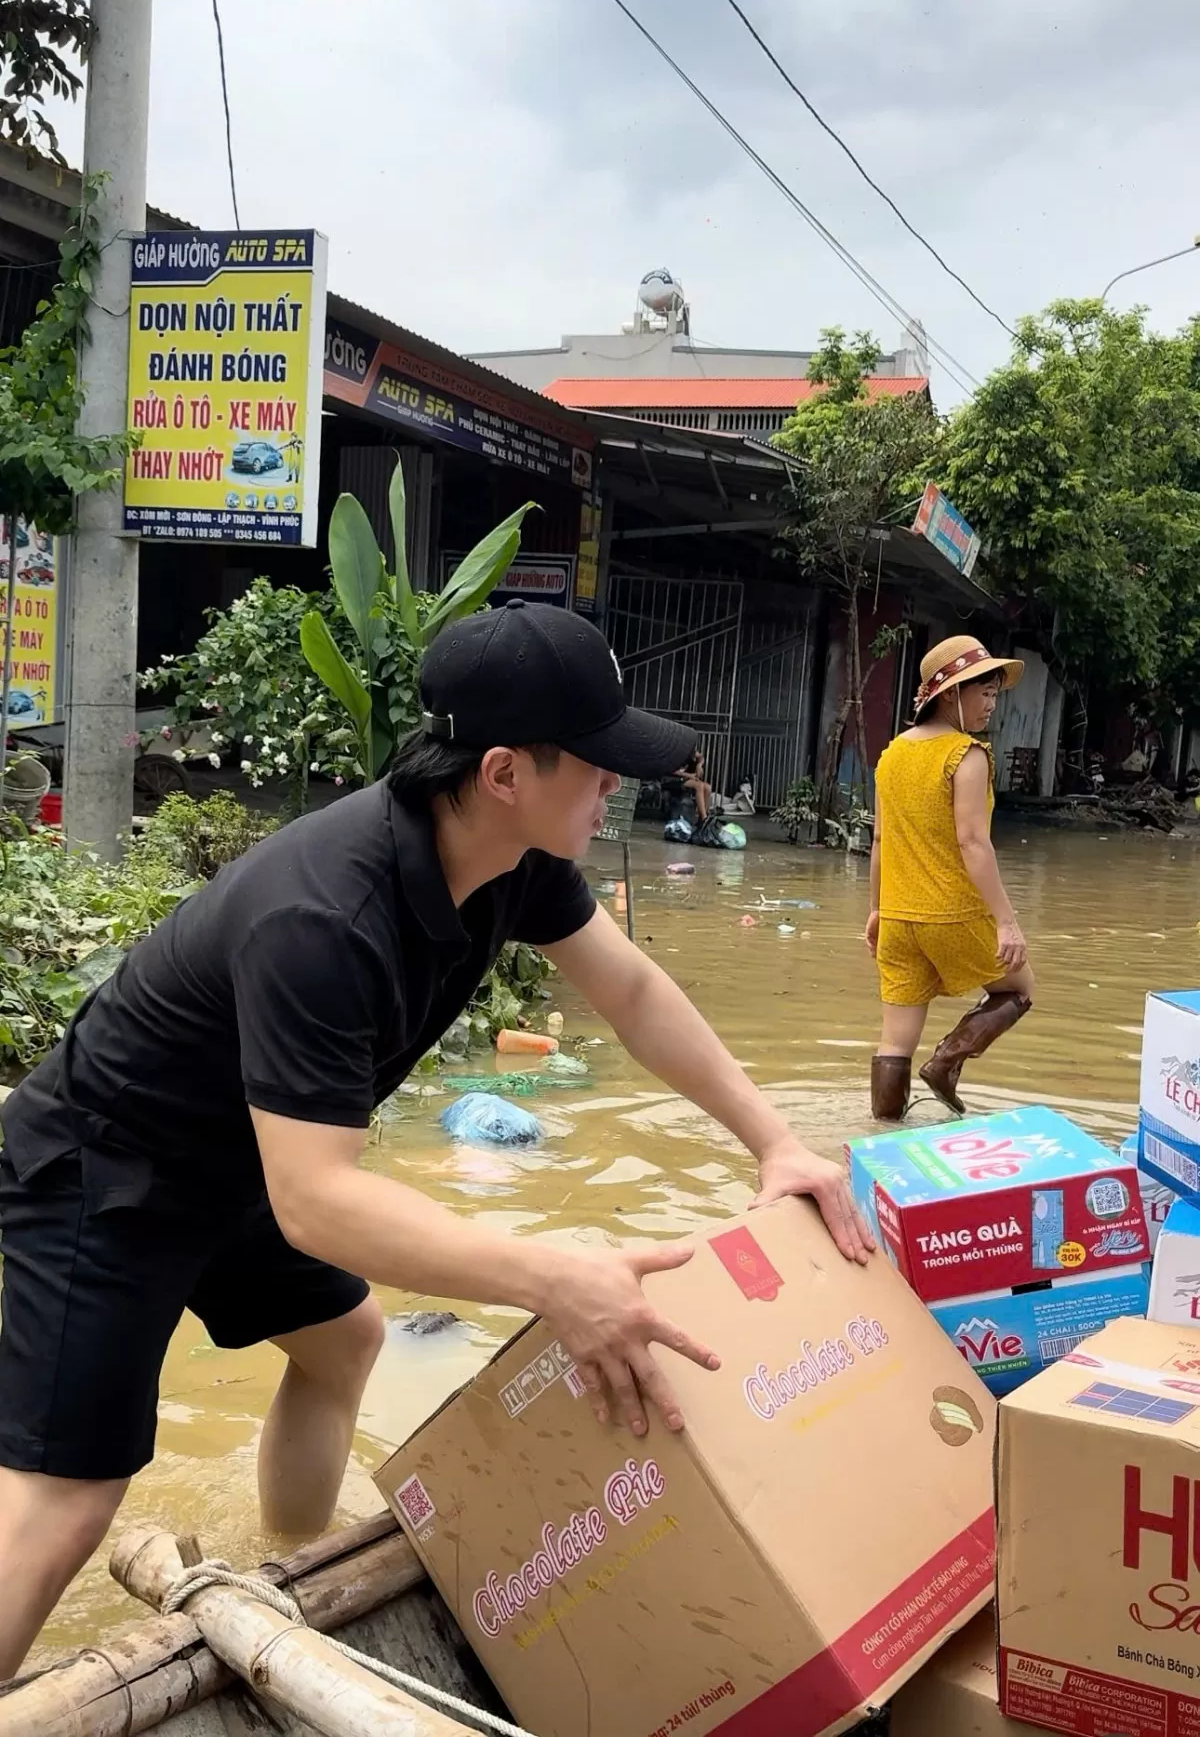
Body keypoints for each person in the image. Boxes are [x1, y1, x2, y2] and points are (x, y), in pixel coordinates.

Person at [0, 597, 874, 1677]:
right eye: (597, 762)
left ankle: (283, 1573)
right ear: (505, 772)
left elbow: (634, 993)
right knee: (67, 1497)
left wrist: (773, 1142)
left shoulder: (516, 859)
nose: (619, 784)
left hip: (246, 1164)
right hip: (109, 1171)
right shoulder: (324, 919)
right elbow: (320, 1202)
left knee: (345, 1339)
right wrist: (555, 1276)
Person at [865, 634, 1034, 1122]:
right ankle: (945, 1063)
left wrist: (876, 910)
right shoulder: (968, 755)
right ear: (949, 695)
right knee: (1020, 988)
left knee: (894, 1040)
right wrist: (1006, 921)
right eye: (982, 693)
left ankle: (882, 1134)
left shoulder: (892, 753)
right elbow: (973, 844)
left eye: (994, 694)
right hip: (951, 914)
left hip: (898, 919)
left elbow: (880, 842)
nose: (991, 705)